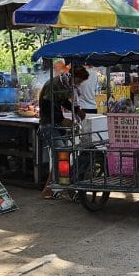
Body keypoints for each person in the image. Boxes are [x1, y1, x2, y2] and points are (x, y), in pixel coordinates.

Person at [38, 65, 89, 198]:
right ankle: (59, 188)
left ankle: (58, 188)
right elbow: (47, 106)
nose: (79, 84)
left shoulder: (64, 84)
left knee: (61, 156)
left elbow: (63, 101)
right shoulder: (54, 84)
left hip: (54, 124)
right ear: (75, 77)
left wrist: (76, 110)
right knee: (62, 155)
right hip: (48, 124)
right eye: (79, 81)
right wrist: (61, 120)